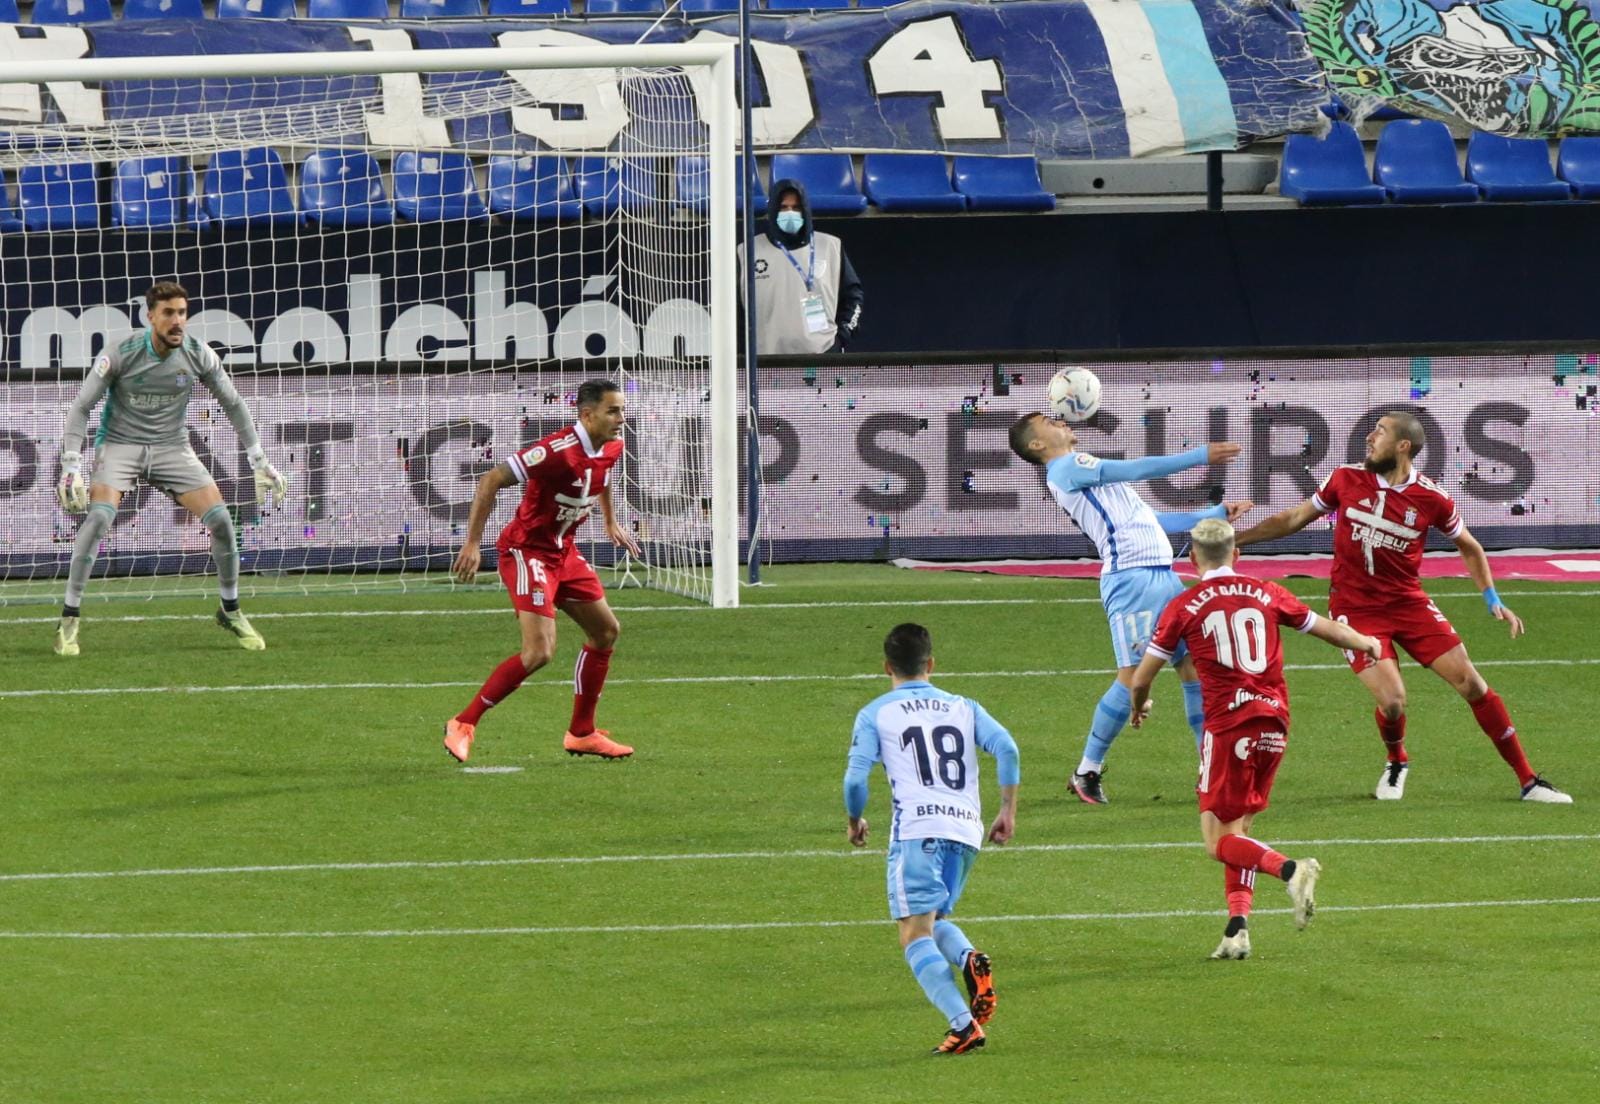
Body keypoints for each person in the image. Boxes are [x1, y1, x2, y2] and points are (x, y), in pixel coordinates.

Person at [1234, 411, 1571, 804]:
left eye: (1379, 432)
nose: (1369, 438)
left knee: (1472, 683)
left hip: (1408, 602)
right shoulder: (1345, 479)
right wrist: (1238, 538)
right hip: (1355, 608)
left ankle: (1529, 781)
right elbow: (1292, 518)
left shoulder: (1432, 498)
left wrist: (1492, 597)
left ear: (1402, 446)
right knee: (1393, 701)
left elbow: (1470, 547)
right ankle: (1397, 760)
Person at [1129, 518, 1383, 959]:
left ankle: (1290, 869)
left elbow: (1142, 678)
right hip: (1275, 722)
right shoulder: (1268, 592)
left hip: (1228, 726)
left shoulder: (1184, 606)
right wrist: (1367, 643)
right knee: (1242, 830)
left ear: (1191, 559)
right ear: (1237, 555)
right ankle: (1237, 929)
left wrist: (1140, 706)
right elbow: (1325, 628)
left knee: (1216, 841)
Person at [1007, 412, 1252, 803]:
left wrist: (1215, 515)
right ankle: (1086, 770)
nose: (1060, 421)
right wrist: (1199, 456)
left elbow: (1151, 520)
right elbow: (1136, 469)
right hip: (1132, 581)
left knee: (1193, 668)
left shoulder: (1088, 474)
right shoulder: (1066, 467)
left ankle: (1211, 765)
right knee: (1133, 675)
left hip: (1163, 576)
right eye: (1047, 421)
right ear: (1037, 445)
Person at [52, 281, 288, 656]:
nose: (177, 321)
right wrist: (71, 465)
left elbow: (233, 403)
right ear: (150, 317)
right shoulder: (121, 352)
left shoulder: (198, 354)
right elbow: (81, 407)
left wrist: (259, 460)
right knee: (98, 518)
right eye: (168, 313)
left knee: (223, 522)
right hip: (119, 446)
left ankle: (230, 608)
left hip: (172, 449)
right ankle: (69, 620)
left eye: (182, 313)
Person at [443, 379, 643, 764]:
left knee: (606, 631)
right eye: (613, 411)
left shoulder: (613, 446)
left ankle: (582, 733)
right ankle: (464, 722)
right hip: (526, 551)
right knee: (539, 652)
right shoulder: (555, 451)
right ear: (587, 415)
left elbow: (600, 477)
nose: (622, 418)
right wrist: (471, 543)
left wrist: (610, 521)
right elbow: (491, 479)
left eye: (622, 410)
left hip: (562, 552)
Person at [844, 623, 1019, 1055]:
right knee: (934, 920)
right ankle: (968, 960)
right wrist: (1007, 811)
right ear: (931, 664)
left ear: (887, 666)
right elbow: (1009, 749)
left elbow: (854, 779)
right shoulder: (965, 706)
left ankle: (963, 1025)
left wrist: (855, 819)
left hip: (917, 833)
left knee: (913, 933)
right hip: (965, 830)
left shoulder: (876, 713)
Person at [742, 178, 863, 355]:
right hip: (765, 362)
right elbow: (734, 312)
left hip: (823, 358)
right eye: (784, 207)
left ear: (805, 209)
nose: (790, 212)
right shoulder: (747, 251)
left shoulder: (831, 246)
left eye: (796, 207)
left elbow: (853, 297)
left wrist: (842, 337)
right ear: (773, 209)